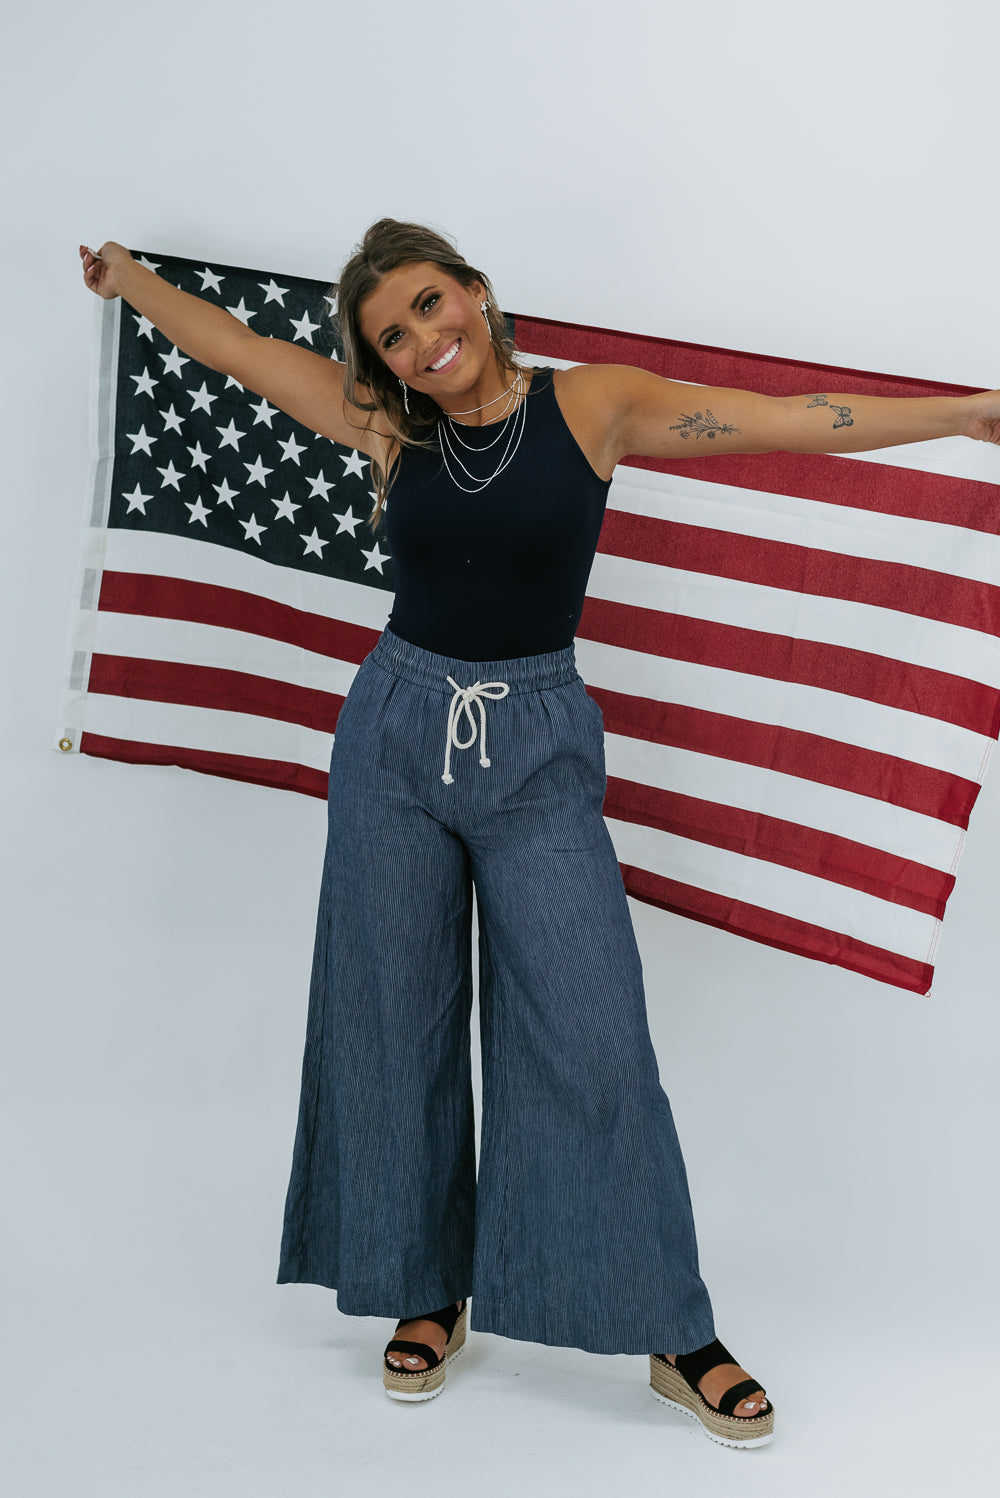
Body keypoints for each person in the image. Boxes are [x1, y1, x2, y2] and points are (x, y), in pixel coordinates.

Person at [79, 223, 1000, 1450]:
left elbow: (781, 418)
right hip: (394, 738)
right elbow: (239, 351)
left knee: (593, 1028)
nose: (421, 341)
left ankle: (671, 1328)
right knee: (389, 1017)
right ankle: (424, 1290)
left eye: (429, 304)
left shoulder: (592, 408)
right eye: (391, 335)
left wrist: (965, 413)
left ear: (476, 292)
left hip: (538, 744)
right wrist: (132, 282)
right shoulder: (388, 427)